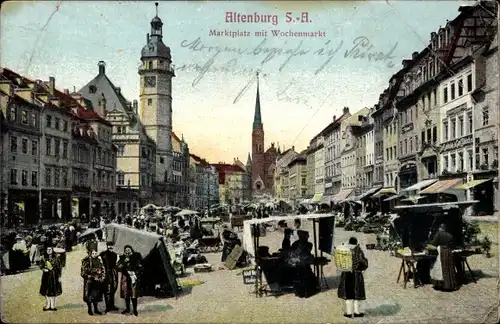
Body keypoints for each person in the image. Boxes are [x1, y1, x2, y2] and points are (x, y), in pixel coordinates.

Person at [337, 237, 368, 318]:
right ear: (356, 243)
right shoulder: (358, 251)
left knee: (348, 294)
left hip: (346, 274)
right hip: (356, 275)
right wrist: (362, 267)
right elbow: (364, 263)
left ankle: (349, 313)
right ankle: (357, 312)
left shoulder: (344, 250)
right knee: (356, 295)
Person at [427, 223, 458, 291]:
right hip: (449, 252)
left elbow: (433, 243)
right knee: (449, 267)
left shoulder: (439, 234)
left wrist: (428, 242)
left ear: (440, 228)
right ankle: (450, 285)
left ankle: (441, 285)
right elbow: (453, 245)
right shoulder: (450, 235)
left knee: (441, 267)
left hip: (442, 251)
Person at [117, 245, 143, 316]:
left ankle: (135, 310)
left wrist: (135, 272)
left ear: (131, 250)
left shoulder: (137, 256)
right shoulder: (122, 258)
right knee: (126, 294)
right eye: (126, 250)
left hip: (133, 277)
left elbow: (140, 267)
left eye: (129, 250)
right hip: (125, 278)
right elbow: (118, 267)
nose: (127, 251)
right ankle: (127, 309)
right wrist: (124, 261)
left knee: (133, 294)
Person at [81, 248, 106, 315]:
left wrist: (102, 277)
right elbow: (83, 272)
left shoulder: (99, 260)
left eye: (96, 253)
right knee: (89, 296)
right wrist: (93, 273)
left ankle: (96, 309)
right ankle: (89, 310)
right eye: (93, 253)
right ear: (90, 254)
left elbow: (102, 269)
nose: (94, 255)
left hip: (97, 281)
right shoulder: (86, 261)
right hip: (90, 281)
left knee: (96, 295)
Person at [39, 246, 63, 311]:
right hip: (45, 276)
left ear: (52, 250)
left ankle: (52, 305)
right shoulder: (43, 257)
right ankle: (48, 305)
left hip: (54, 276)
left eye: (50, 249)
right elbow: (40, 265)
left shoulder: (56, 258)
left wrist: (59, 276)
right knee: (45, 290)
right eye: (47, 249)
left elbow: (59, 268)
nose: (48, 250)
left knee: (53, 290)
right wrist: (44, 269)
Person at [100, 242, 119, 312]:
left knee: (113, 288)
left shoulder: (115, 254)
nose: (111, 247)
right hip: (106, 273)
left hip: (113, 272)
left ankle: (112, 305)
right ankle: (108, 306)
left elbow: (116, 264)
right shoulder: (103, 254)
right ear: (107, 246)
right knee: (107, 289)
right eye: (109, 246)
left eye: (112, 246)